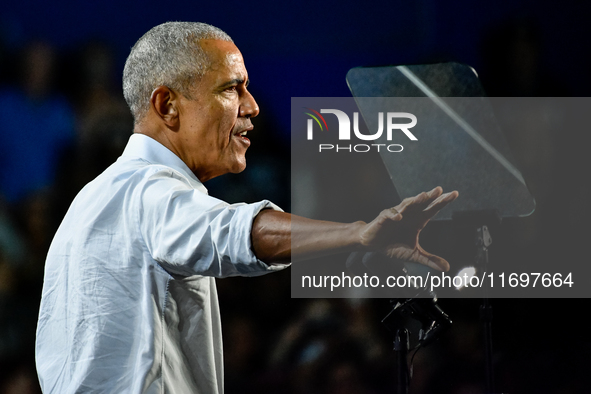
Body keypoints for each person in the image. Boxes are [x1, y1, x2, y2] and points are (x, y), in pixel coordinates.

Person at [35, 22, 458, 393]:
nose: (252, 106)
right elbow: (232, 232)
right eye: (231, 89)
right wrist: (358, 233)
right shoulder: (146, 191)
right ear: (166, 105)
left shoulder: (97, 198)